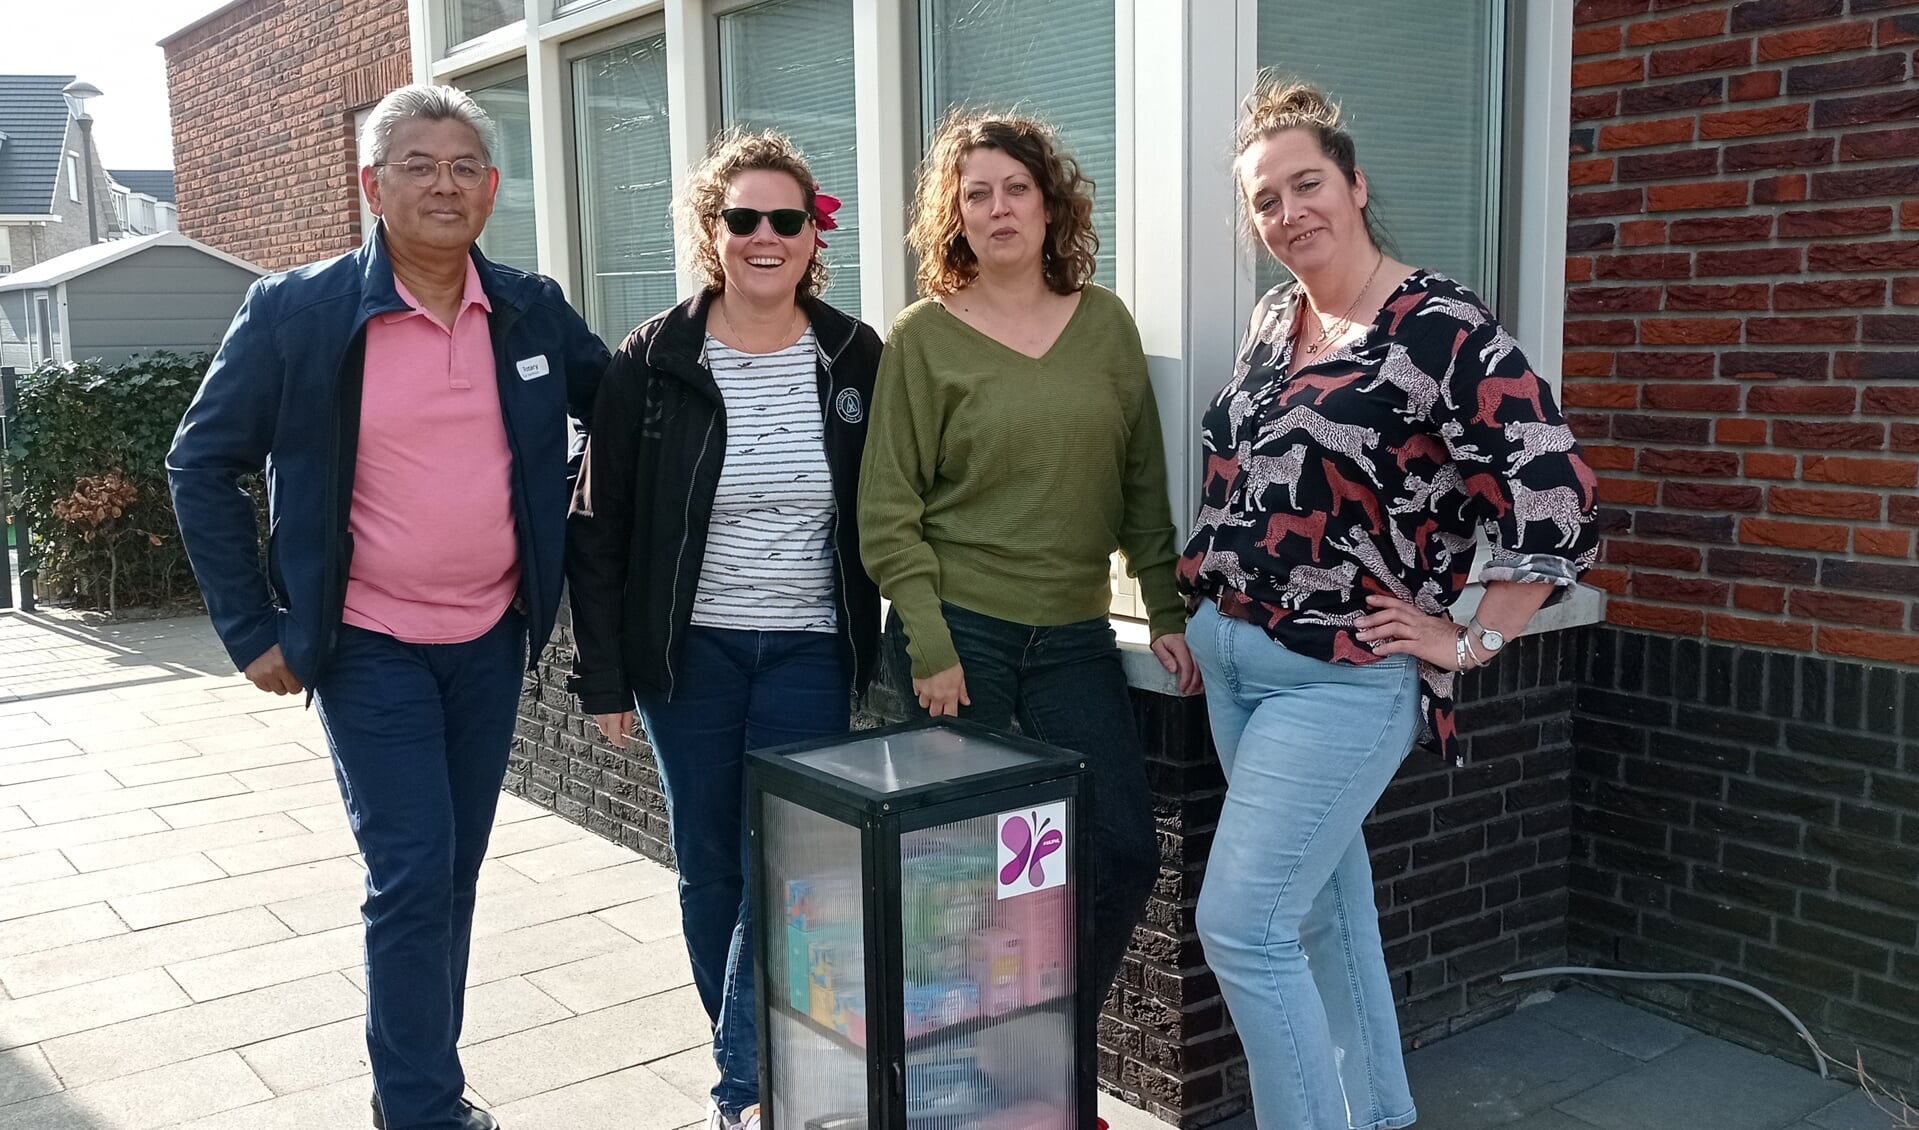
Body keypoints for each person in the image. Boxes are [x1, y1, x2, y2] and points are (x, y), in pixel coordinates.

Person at [167, 84, 609, 1130]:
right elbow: (202, 460)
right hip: (367, 640)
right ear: (373, 183)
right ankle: (419, 1106)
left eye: (464, 166)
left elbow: (626, 411)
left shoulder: (532, 308)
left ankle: (422, 1079)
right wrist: (249, 628)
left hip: (493, 637)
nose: (444, 183)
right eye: (418, 163)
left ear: (492, 188)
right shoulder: (299, 311)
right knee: (413, 868)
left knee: (450, 871)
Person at [1178, 79, 1599, 1130]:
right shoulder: (1279, 319)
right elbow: (1249, 478)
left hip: (1340, 676)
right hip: (1234, 656)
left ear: (1356, 184)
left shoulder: (1439, 324)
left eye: (1305, 182)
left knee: (1241, 924)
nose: (1287, 213)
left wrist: (1468, 636)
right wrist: (1197, 601)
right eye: (1264, 200)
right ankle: (1372, 1110)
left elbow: (1557, 497)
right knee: (1317, 907)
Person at [564, 129, 880, 1130]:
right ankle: (749, 1061)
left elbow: (895, 498)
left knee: (788, 857)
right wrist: (603, 675)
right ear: (712, 229)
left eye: (784, 218)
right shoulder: (651, 360)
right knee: (710, 859)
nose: (762, 236)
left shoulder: (851, 353)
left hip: (807, 645)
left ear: (809, 235)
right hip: (685, 653)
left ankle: (749, 1087)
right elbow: (597, 525)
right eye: (742, 217)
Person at [857, 111, 1200, 1008]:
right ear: (955, 216)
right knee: (963, 881)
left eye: (1017, 188)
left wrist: (1164, 609)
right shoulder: (922, 338)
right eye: (977, 194)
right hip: (960, 642)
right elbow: (888, 510)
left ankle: (1047, 1058)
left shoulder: (1104, 324)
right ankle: (959, 1077)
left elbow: (1139, 483)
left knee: (1120, 851)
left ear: (1051, 207)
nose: (999, 207)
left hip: (1077, 640)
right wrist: (928, 644)